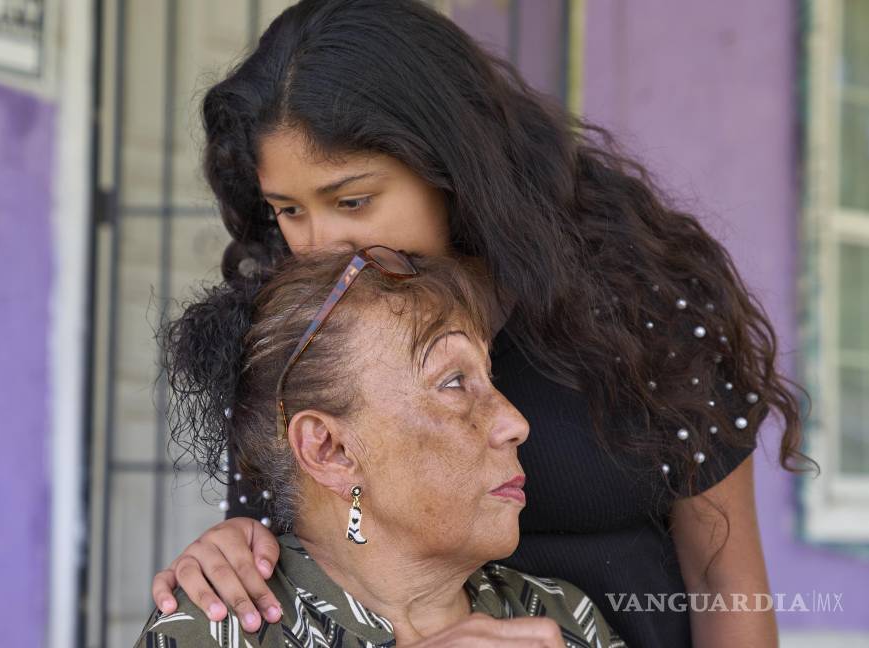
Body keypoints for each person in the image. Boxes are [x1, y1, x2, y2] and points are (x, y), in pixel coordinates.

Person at [149, 1, 814, 646]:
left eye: (353, 200)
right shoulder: (296, 322)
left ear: (448, 166)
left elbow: (722, 577)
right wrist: (239, 549)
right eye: (289, 210)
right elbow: (304, 539)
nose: (322, 244)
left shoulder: (640, 296)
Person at [136, 248, 626, 647]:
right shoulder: (222, 625)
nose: (514, 422)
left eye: (488, 378)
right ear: (331, 450)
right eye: (453, 382)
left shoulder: (564, 621)